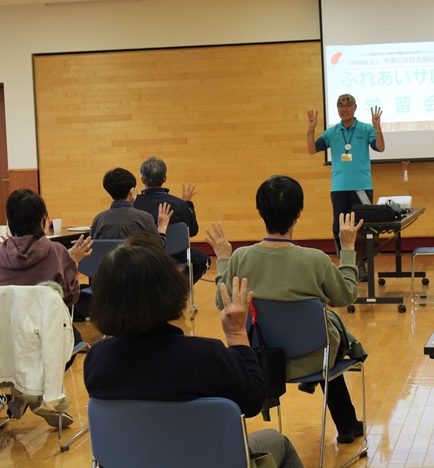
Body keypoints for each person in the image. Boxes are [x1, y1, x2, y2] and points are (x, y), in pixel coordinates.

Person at [83, 235, 303, 468]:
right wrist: (237, 334)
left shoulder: (97, 359)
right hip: (208, 461)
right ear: (169, 290)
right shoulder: (207, 356)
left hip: (134, 461)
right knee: (279, 442)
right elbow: (253, 402)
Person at [208, 175, 367, 444]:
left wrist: (223, 261)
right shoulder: (315, 259)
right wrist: (348, 249)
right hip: (314, 360)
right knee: (331, 339)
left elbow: (222, 303)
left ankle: (349, 424)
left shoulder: (240, 257)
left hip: (260, 360)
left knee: (325, 336)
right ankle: (347, 425)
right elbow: (347, 295)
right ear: (299, 213)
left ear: (259, 213)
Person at [0, 189, 92, 426]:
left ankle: (24, 393)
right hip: (45, 339)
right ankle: (39, 395)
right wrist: (71, 264)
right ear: (43, 220)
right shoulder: (56, 252)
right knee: (71, 336)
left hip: (5, 340)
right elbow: (70, 297)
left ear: (9, 221)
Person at [306, 94, 384, 279]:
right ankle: (346, 265)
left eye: (348, 105)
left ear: (355, 107)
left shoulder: (365, 129)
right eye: (340, 106)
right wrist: (311, 130)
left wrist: (378, 127)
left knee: (363, 228)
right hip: (339, 188)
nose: (344, 109)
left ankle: (362, 265)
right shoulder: (332, 133)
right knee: (339, 228)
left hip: (361, 187)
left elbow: (380, 147)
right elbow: (311, 150)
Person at [133, 157, 210, 283]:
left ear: (142, 180)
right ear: (164, 178)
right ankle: (178, 290)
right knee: (203, 261)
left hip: (142, 255)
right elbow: (192, 231)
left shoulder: (134, 204)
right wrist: (187, 204)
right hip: (175, 254)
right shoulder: (179, 204)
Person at [90, 168, 172, 245]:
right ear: (132, 191)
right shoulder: (145, 218)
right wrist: (162, 228)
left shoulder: (99, 220)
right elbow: (158, 247)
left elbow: (94, 247)